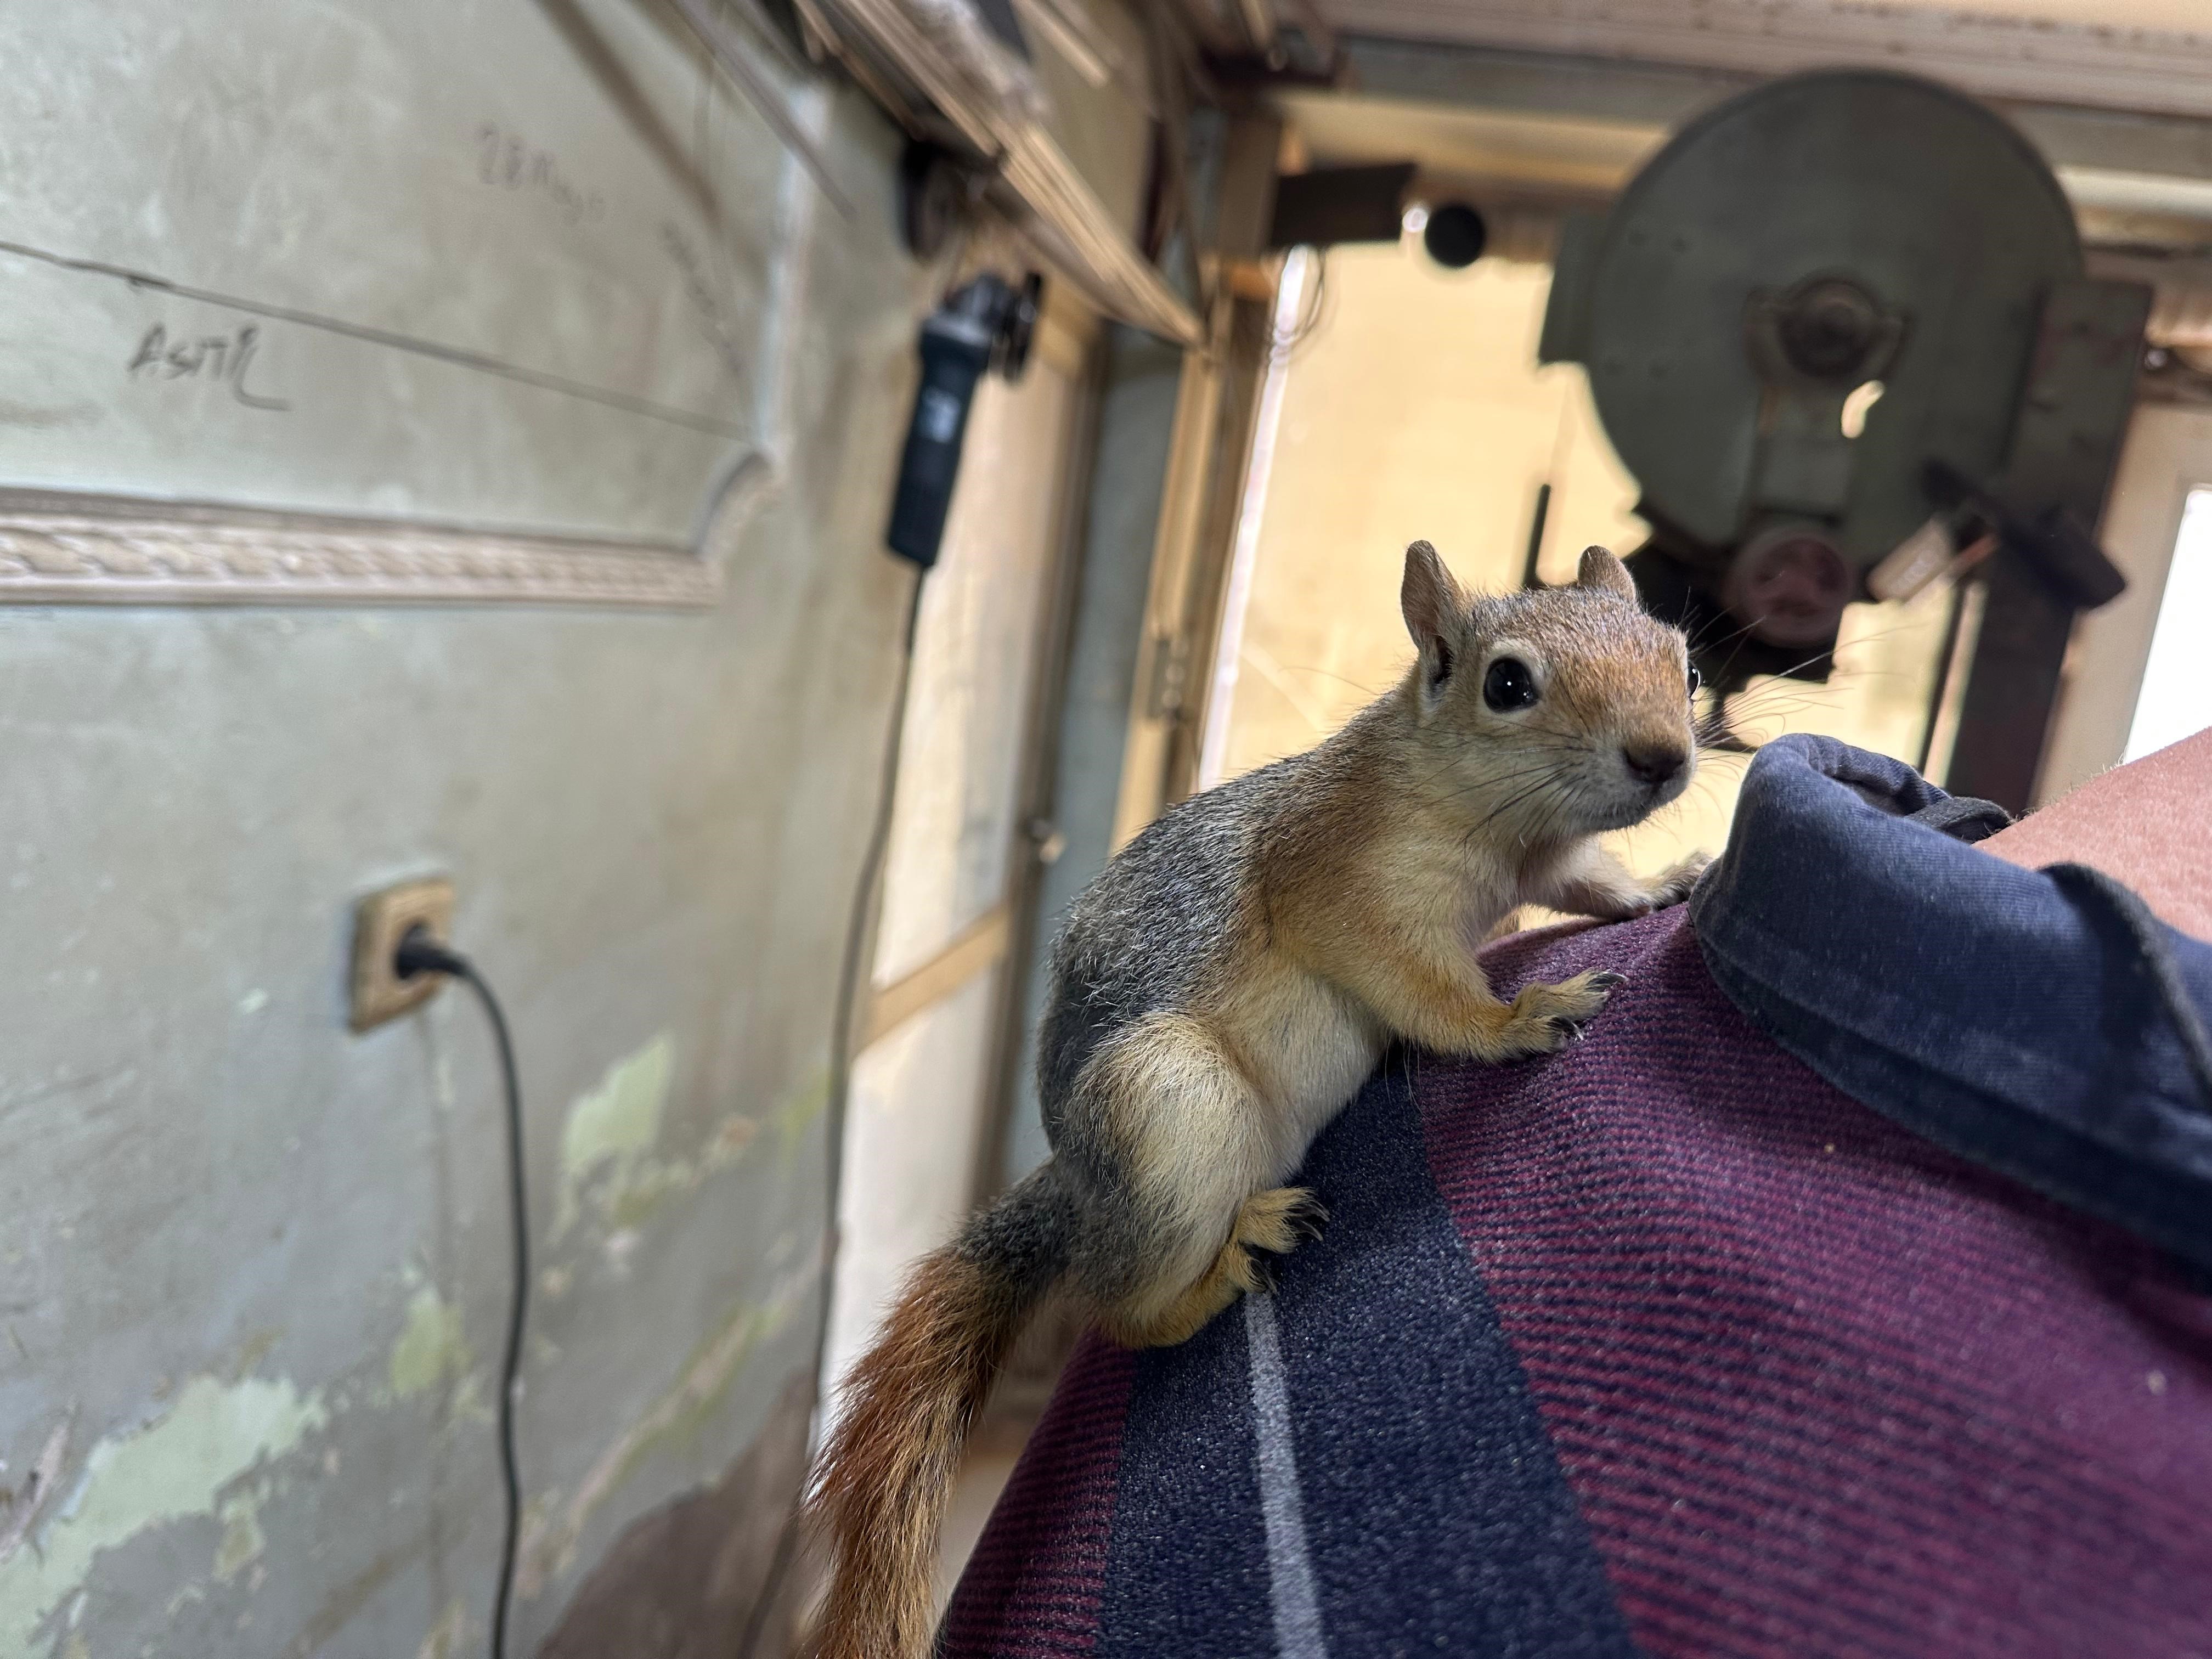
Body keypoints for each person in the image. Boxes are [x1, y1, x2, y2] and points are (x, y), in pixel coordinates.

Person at [940, 730, 2212, 1658]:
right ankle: (1163, 1297)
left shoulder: (1525, 833)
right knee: (1177, 1124)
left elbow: (1546, 861)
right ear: (1437, 674)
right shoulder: (1379, 815)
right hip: (1190, 1058)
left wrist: (1627, 897)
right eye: (1515, 697)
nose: (1663, 753)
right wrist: (1489, 1029)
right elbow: (1365, 931)